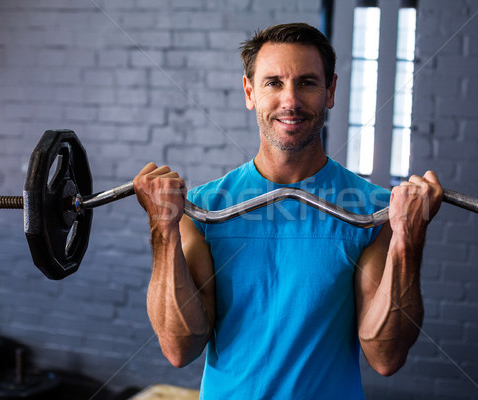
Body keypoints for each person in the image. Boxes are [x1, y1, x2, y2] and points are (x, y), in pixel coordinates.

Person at [133, 23, 443, 399]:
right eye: (273, 83)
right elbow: (179, 349)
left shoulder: (374, 212)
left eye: (308, 83)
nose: (291, 100)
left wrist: (409, 239)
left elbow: (385, 356)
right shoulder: (202, 211)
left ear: (330, 91)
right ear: (250, 92)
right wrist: (162, 230)